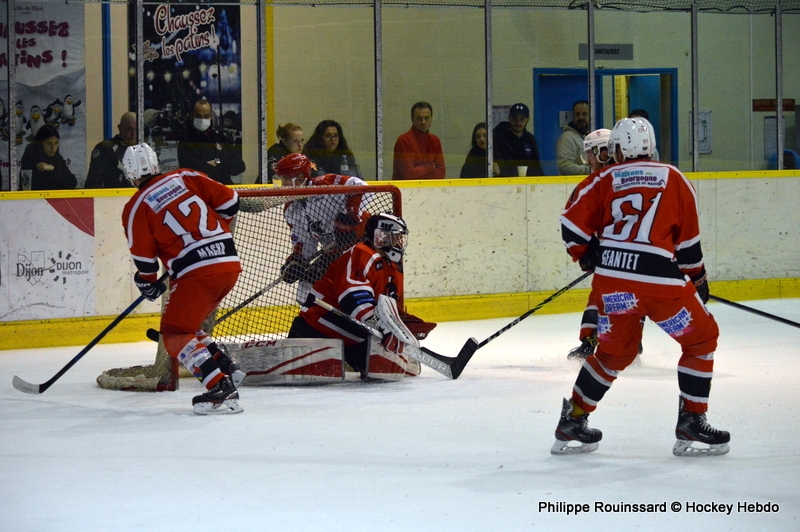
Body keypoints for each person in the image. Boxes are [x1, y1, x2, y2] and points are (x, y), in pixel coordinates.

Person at [552, 117, 730, 457]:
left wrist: (588, 256)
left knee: (613, 353)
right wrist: (698, 279)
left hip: (615, 288)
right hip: (662, 286)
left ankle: (573, 419)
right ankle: (692, 419)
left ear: (617, 149)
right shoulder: (674, 177)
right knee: (701, 339)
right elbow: (689, 245)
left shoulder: (603, 178)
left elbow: (571, 226)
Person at [121, 143, 243, 415]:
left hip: (197, 274)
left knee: (174, 333)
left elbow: (144, 261)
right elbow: (232, 201)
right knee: (189, 324)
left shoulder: (135, 207)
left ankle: (218, 386)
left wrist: (148, 281)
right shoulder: (186, 176)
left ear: (129, 174)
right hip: (229, 263)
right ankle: (225, 366)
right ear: (155, 164)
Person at [287, 213, 418, 376]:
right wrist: (386, 326)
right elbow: (354, 299)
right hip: (317, 329)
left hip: (355, 339)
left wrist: (403, 328)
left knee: (397, 370)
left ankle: (348, 360)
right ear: (381, 237)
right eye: (395, 237)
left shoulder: (394, 268)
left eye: (401, 238)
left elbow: (387, 308)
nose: (400, 242)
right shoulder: (362, 253)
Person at [273, 153, 369, 305]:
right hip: (335, 252)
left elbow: (361, 187)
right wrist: (296, 262)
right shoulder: (291, 209)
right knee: (306, 288)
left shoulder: (325, 184)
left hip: (363, 245)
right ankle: (317, 322)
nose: (281, 185)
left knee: (348, 287)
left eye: (284, 179)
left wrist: (349, 218)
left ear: (298, 178)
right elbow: (305, 244)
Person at [177, 99, 246, 185]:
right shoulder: (186, 141)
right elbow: (197, 169)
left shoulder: (220, 138)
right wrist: (224, 165)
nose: (202, 119)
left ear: (211, 117)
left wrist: (217, 162)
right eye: (198, 116)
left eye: (206, 116)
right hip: (200, 192)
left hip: (225, 190)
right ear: (192, 115)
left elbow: (240, 166)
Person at [392, 102, 445, 180]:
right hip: (405, 189)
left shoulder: (435, 141)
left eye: (426, 118)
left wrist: (419, 173)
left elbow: (441, 172)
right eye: (419, 118)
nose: (423, 122)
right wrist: (431, 166)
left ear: (431, 119)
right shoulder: (404, 140)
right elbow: (409, 175)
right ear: (412, 119)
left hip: (431, 189)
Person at [84, 112, 137, 189]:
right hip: (112, 198)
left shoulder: (144, 149)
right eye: (129, 129)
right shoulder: (106, 149)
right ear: (120, 128)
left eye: (137, 129)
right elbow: (93, 184)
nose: (134, 133)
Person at [493, 103, 544, 177]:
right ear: (509, 118)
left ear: (528, 120)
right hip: (505, 182)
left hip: (527, 184)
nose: (518, 123)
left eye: (522, 119)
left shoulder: (530, 139)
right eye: (514, 118)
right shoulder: (498, 137)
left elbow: (536, 165)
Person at [19, 124, 77, 190]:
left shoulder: (57, 158)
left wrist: (53, 169)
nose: (53, 148)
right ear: (41, 143)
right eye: (48, 143)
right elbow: (29, 186)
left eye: (56, 143)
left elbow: (72, 183)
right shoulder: (31, 157)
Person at [556, 100, 591, 175]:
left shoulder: (588, 136)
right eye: (577, 114)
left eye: (584, 114)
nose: (581, 117)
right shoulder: (567, 138)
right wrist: (591, 170)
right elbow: (565, 167)